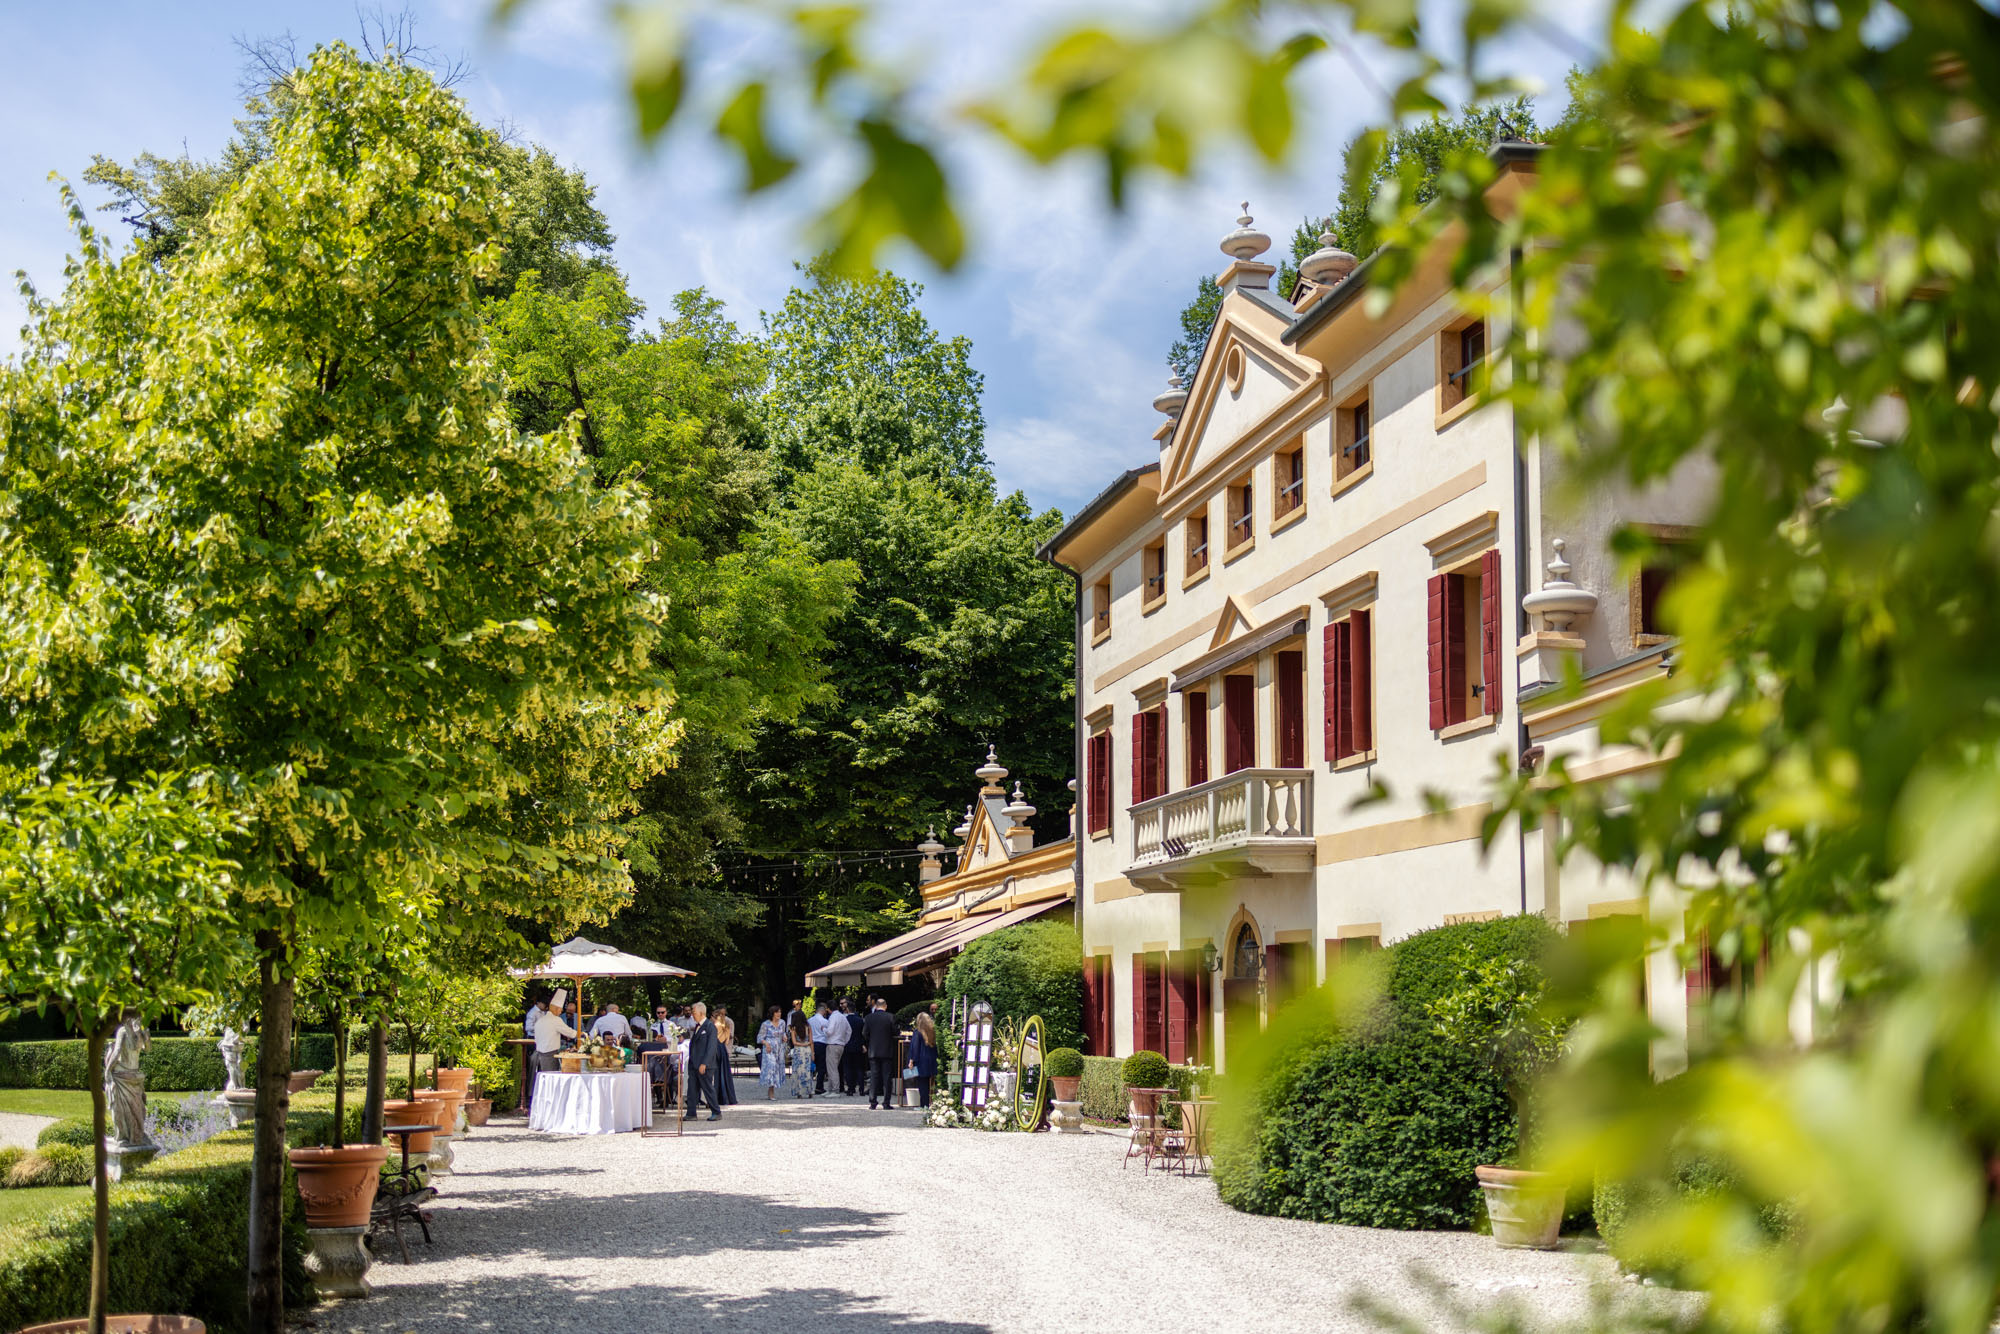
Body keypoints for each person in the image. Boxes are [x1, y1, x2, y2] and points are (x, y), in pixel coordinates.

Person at [683, 1002, 722, 1121]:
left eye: (694, 1012)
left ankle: (716, 1111)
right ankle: (691, 1113)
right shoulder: (697, 1026)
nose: (692, 1015)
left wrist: (704, 1063)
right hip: (694, 1064)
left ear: (701, 1013)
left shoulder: (710, 1027)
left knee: (707, 1088)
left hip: (704, 1065)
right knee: (692, 1089)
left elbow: (711, 1047)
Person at [863, 997, 901, 1110]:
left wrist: (870, 1041)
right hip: (887, 1050)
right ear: (885, 1006)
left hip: (873, 1050)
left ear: (876, 1006)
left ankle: (873, 1102)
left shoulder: (869, 1018)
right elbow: (895, 1032)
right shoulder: (890, 1017)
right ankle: (886, 1102)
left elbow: (864, 1033)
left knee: (874, 1076)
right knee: (887, 1077)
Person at [532, 990, 577, 1075]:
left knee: (542, 1077)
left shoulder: (541, 1020)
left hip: (538, 1054)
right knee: (550, 1078)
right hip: (550, 1055)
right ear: (556, 1009)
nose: (560, 1012)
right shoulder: (555, 1020)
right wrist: (580, 1034)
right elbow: (570, 1033)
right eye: (560, 1010)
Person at [908, 1006, 938, 1108]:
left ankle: (923, 1105)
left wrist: (911, 1060)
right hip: (932, 1060)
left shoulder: (918, 1032)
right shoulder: (933, 1031)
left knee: (923, 1085)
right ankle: (930, 1104)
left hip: (921, 1061)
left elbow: (915, 1048)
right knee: (931, 1084)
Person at [756, 1007, 787, 1100]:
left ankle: (772, 1090)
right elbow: (759, 1037)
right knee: (771, 1068)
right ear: (772, 1013)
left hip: (779, 1049)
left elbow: (783, 1033)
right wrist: (766, 1043)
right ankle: (771, 1092)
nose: (779, 1014)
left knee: (777, 1068)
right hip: (769, 1049)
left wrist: (784, 1037)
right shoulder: (765, 1024)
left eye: (780, 1012)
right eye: (777, 1012)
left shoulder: (782, 1023)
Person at [823, 1002, 851, 1098]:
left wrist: (823, 1029)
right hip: (840, 1045)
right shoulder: (843, 1017)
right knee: (833, 1067)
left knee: (832, 1068)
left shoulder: (832, 1017)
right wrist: (844, 1041)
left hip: (832, 1044)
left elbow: (829, 1031)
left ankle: (835, 1090)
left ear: (829, 1009)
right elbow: (849, 1030)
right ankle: (830, 1089)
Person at [714, 1006, 740, 1106]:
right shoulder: (713, 1022)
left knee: (722, 1073)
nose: (721, 1016)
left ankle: (724, 1097)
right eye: (719, 1014)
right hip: (717, 1047)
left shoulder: (728, 1022)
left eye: (723, 1014)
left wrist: (728, 1049)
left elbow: (729, 1037)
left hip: (722, 1048)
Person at [787, 1010, 816, 1098]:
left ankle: (799, 1092)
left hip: (798, 1051)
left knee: (798, 1071)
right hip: (807, 1050)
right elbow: (811, 1041)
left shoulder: (793, 1029)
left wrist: (802, 1044)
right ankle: (809, 1091)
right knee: (807, 1071)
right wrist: (813, 1053)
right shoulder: (808, 1027)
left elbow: (794, 1042)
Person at [809, 1002, 832, 1095]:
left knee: (810, 1065)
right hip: (822, 1044)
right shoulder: (825, 1021)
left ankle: (808, 1086)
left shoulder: (809, 1020)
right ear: (823, 1011)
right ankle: (819, 1086)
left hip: (812, 1043)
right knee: (821, 1066)